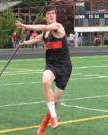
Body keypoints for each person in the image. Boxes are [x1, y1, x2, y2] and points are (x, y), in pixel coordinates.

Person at [15, 6, 72, 135]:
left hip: (64, 67)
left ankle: (45, 121)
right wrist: (24, 43)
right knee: (46, 82)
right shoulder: (46, 34)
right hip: (51, 65)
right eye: (49, 14)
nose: (52, 16)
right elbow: (37, 39)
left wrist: (26, 25)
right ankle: (54, 117)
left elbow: (46, 27)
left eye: (53, 13)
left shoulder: (58, 27)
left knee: (55, 100)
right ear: (45, 17)